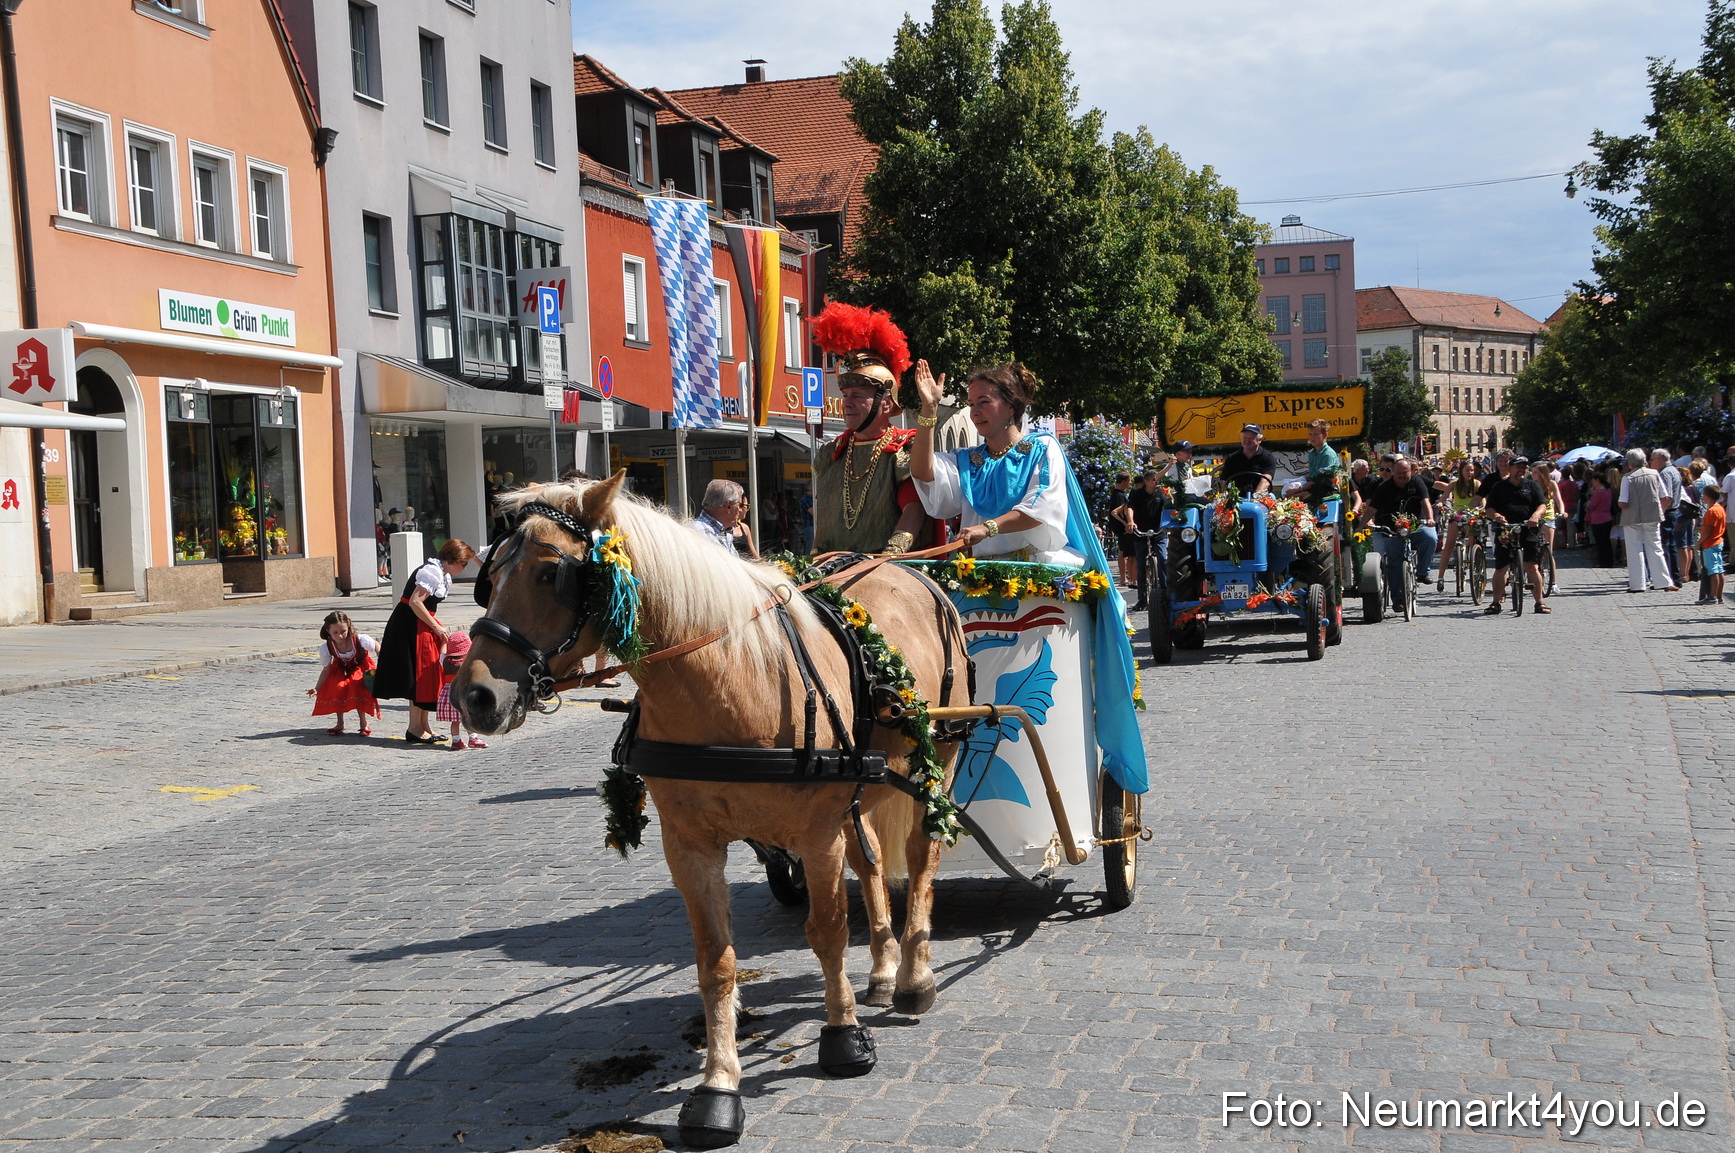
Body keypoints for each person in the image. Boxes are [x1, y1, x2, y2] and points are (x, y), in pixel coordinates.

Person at [909, 358, 1146, 793]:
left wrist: (987, 527)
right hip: (981, 583)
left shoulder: (1042, 448)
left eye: (985, 401)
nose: (976, 411)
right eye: (970, 404)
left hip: (1036, 578)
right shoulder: (970, 460)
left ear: (1012, 404)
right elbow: (924, 475)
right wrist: (928, 412)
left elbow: (1041, 508)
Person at [809, 302, 933, 556]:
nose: (847, 403)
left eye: (857, 395)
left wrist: (888, 557)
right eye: (845, 395)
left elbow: (914, 509)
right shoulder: (831, 453)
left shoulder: (904, 447)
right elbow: (826, 519)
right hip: (831, 569)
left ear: (886, 403)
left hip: (886, 572)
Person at [374, 538, 475, 744]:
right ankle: (415, 727)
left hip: (419, 624)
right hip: (410, 625)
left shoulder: (441, 573)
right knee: (420, 675)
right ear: (452, 559)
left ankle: (423, 726)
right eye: (463, 563)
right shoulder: (433, 572)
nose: (464, 568)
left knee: (426, 674)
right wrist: (436, 626)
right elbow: (415, 601)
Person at [1366, 455, 1437, 612]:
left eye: (1405, 473)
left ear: (1410, 472)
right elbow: (1372, 509)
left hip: (1415, 526)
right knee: (1394, 561)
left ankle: (1422, 572)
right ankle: (1398, 599)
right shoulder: (1384, 488)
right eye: (1399, 473)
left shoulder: (1417, 482)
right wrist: (1362, 525)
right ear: (1393, 473)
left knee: (1430, 537)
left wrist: (1430, 518)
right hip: (1392, 530)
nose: (1402, 476)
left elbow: (1425, 501)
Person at [1483, 456, 1550, 614]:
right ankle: (1495, 602)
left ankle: (1539, 602)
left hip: (1527, 527)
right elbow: (1489, 508)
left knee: (1532, 566)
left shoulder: (1532, 486)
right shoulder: (1499, 487)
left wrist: (1535, 516)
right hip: (1506, 528)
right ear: (1510, 468)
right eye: (1518, 467)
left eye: (1524, 467)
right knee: (1501, 567)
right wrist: (1497, 516)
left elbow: (1542, 505)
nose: (1521, 470)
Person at [307, 610, 380, 737]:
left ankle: (364, 724)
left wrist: (382, 663)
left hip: (361, 665)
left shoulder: (360, 639)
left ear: (348, 627)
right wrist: (317, 688)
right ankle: (340, 723)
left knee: (357, 685)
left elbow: (376, 646)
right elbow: (326, 670)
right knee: (337, 687)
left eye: (343, 631)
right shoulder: (327, 647)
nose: (340, 635)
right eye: (335, 632)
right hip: (341, 667)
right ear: (328, 631)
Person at [1618, 447, 1677, 593]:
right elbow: (1666, 497)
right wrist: (1660, 512)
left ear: (1630, 463)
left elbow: (1623, 502)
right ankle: (1663, 581)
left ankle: (1638, 585)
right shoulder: (1654, 474)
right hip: (1652, 516)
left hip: (1632, 518)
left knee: (1634, 550)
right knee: (1656, 548)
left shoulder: (1628, 478)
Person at [434, 629, 487, 750]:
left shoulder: (445, 661)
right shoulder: (466, 663)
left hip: (449, 693)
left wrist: (444, 642)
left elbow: (442, 654)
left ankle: (456, 741)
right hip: (462, 693)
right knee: (468, 717)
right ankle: (473, 738)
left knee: (455, 721)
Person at [1432, 460, 1480, 588]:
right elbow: (1444, 497)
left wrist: (1481, 508)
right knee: (1449, 545)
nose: (1470, 473)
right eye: (1467, 470)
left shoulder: (1476, 484)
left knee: (1472, 541)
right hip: (1457, 515)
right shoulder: (1454, 484)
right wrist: (1440, 504)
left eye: (1472, 470)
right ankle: (1440, 577)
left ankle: (1473, 565)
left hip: (1472, 514)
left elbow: (1483, 499)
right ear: (1461, 471)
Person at [1127, 470, 1165, 611]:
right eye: (1154, 480)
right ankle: (1141, 599)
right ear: (1147, 482)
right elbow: (1129, 508)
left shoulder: (1161, 493)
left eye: (1157, 480)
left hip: (1158, 532)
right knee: (1141, 565)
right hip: (1141, 532)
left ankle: (1165, 591)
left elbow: (1168, 508)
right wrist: (1131, 521)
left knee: (1163, 559)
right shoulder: (1137, 494)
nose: (1156, 483)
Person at [1531, 459, 1566, 596]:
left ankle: (1553, 582)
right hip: (1536, 518)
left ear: (1542, 473)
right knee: (1533, 549)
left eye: (1535, 473)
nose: (1533, 475)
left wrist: (1562, 511)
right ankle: (1535, 577)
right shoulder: (1532, 485)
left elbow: (1558, 499)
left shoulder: (1551, 484)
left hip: (1549, 517)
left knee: (1549, 550)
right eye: (1532, 473)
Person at [692, 479, 753, 556]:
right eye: (740, 505)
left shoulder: (726, 531)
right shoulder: (697, 532)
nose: (741, 510)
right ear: (728, 506)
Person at [1652, 448, 1686, 586]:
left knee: (1665, 546)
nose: (1650, 462)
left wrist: (1659, 514)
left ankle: (1668, 579)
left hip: (1667, 512)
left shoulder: (1665, 473)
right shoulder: (1673, 470)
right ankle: (1674, 578)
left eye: (1652, 459)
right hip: (1673, 511)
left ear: (1659, 460)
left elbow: (1666, 497)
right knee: (1671, 545)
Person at [1217, 424, 1279, 494]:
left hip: (1261, 496)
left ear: (1259, 440)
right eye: (1245, 437)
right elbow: (1224, 480)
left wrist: (1256, 497)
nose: (1247, 440)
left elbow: (1265, 480)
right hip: (1238, 498)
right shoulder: (1232, 458)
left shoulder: (1267, 457)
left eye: (1251, 438)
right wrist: (1224, 495)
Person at [1293, 419, 1343, 504]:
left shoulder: (1328, 454)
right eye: (1310, 434)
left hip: (1327, 490)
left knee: (1296, 501)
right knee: (1288, 498)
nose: (1312, 437)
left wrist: (1300, 488)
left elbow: (1321, 479)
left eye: (1316, 434)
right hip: (1315, 488)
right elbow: (1313, 476)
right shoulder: (1312, 453)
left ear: (1325, 435)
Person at [1106, 471, 1136, 588]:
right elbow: (1119, 512)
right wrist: (1125, 522)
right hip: (1122, 527)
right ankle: (1123, 578)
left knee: (1123, 551)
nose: (1129, 484)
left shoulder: (1116, 494)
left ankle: (1125, 577)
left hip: (1118, 526)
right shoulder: (1120, 496)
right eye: (1128, 481)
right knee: (1123, 552)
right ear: (1123, 482)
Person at [1699, 484, 1726, 605]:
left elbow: (1708, 530)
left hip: (1710, 543)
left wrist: (1699, 542)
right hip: (1718, 541)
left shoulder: (1712, 511)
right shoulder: (1720, 508)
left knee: (1713, 570)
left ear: (1708, 496)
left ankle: (1712, 596)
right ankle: (1719, 595)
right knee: (1719, 569)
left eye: (1704, 495)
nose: (1703, 497)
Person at [1585, 473, 1617, 567]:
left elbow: (1592, 506)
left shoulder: (1598, 492)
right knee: (1606, 541)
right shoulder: (1608, 491)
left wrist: (1588, 503)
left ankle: (1603, 562)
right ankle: (1609, 561)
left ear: (1597, 481)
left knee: (1600, 542)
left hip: (1598, 518)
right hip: (1607, 517)